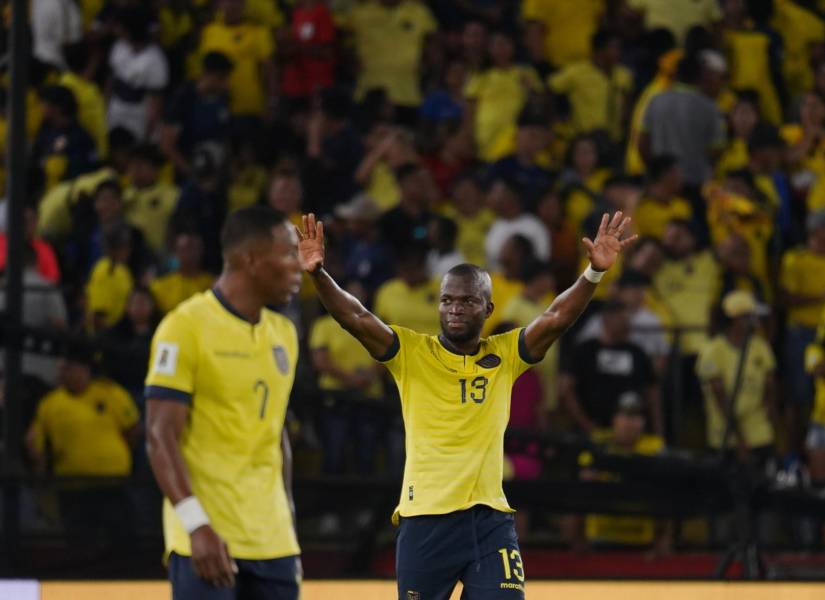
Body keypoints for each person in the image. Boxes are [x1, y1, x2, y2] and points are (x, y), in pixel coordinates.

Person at [297, 210, 636, 599]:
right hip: (426, 521)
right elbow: (355, 317)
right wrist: (318, 274)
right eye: (447, 300)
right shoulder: (410, 351)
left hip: (490, 520)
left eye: (468, 300)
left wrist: (593, 273)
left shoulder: (507, 354)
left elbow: (556, 317)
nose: (455, 308)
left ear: (488, 309)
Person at [145, 206, 303, 598]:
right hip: (207, 536)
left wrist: (289, 519)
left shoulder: (284, 333)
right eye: (287, 253)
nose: (298, 265)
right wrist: (195, 524)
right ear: (250, 259)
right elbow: (159, 435)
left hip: (274, 540)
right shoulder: (184, 327)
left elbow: (276, 434)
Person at [696, 290, 779, 465]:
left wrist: (770, 407)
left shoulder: (759, 345)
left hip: (759, 430)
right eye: (749, 317)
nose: (755, 321)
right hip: (726, 434)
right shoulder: (712, 351)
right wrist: (740, 439)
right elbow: (720, 398)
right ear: (736, 319)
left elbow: (770, 382)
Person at [560, 300, 662, 436]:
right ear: (606, 319)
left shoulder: (637, 353)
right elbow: (567, 388)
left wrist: (658, 430)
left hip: (631, 434)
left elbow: (652, 393)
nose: (627, 325)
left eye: (628, 320)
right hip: (592, 431)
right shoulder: (586, 351)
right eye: (622, 320)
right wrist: (584, 423)